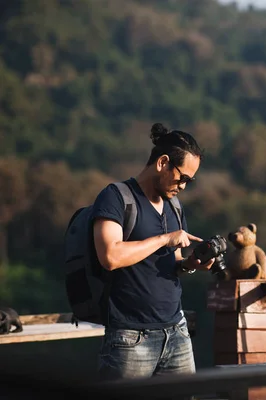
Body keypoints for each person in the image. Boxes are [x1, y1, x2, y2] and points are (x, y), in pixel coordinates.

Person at [91, 122, 214, 380]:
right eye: (183, 178)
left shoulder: (174, 206)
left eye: (190, 181)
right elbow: (110, 256)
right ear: (162, 163)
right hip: (131, 338)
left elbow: (175, 262)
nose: (184, 186)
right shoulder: (116, 197)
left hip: (177, 332)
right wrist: (164, 239)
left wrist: (191, 264)